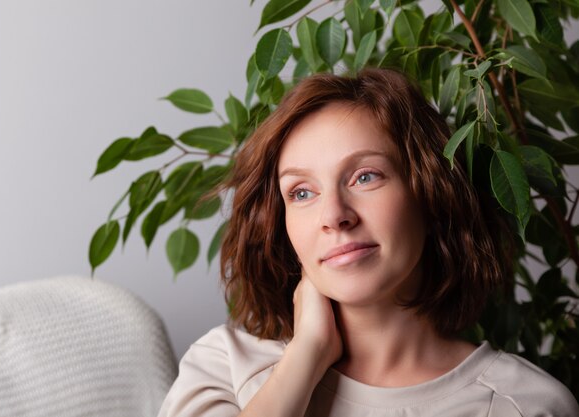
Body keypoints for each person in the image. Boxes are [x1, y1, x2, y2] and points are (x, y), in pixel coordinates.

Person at [158, 68, 579, 416]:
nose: (334, 216)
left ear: (430, 195)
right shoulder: (224, 368)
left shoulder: (526, 405)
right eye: (301, 193)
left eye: (365, 176)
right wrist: (307, 353)